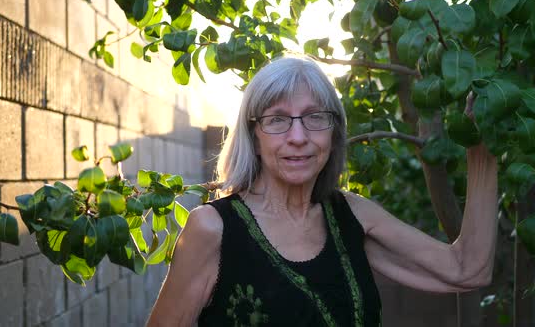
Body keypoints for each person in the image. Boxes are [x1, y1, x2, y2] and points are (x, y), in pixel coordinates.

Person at [146, 56, 498, 326]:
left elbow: (468, 269)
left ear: (334, 132)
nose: (298, 137)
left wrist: (480, 150)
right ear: (253, 137)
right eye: (277, 120)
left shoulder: (353, 216)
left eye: (315, 117)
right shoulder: (212, 229)